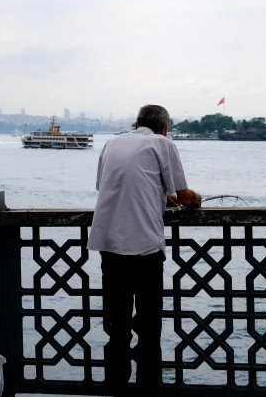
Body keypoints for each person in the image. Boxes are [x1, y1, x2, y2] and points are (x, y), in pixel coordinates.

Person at [87, 104, 201, 396]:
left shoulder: (112, 142)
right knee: (149, 329)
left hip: (110, 247)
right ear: (164, 127)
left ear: (137, 124)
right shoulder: (163, 143)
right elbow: (186, 196)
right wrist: (194, 200)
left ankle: (116, 389)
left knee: (117, 327)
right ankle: (147, 389)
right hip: (146, 250)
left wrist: (160, 194)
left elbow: (107, 185)